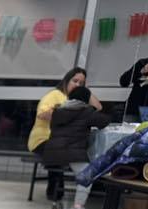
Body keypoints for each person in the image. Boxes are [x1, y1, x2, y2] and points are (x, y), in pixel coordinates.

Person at [28, 67, 101, 200]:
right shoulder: (54, 95)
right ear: (67, 80)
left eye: (81, 83)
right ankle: (56, 192)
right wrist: (65, 113)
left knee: (90, 150)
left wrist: (86, 92)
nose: (77, 85)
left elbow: (99, 108)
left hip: (65, 141)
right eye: (75, 81)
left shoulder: (78, 100)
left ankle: (88, 188)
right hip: (43, 140)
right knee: (66, 151)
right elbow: (42, 114)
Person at [40, 86, 110, 209]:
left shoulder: (58, 111)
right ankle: (78, 205)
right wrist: (92, 101)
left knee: (66, 170)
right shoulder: (86, 111)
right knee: (87, 174)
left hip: (53, 153)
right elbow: (104, 121)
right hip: (72, 153)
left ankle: (56, 200)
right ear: (86, 99)